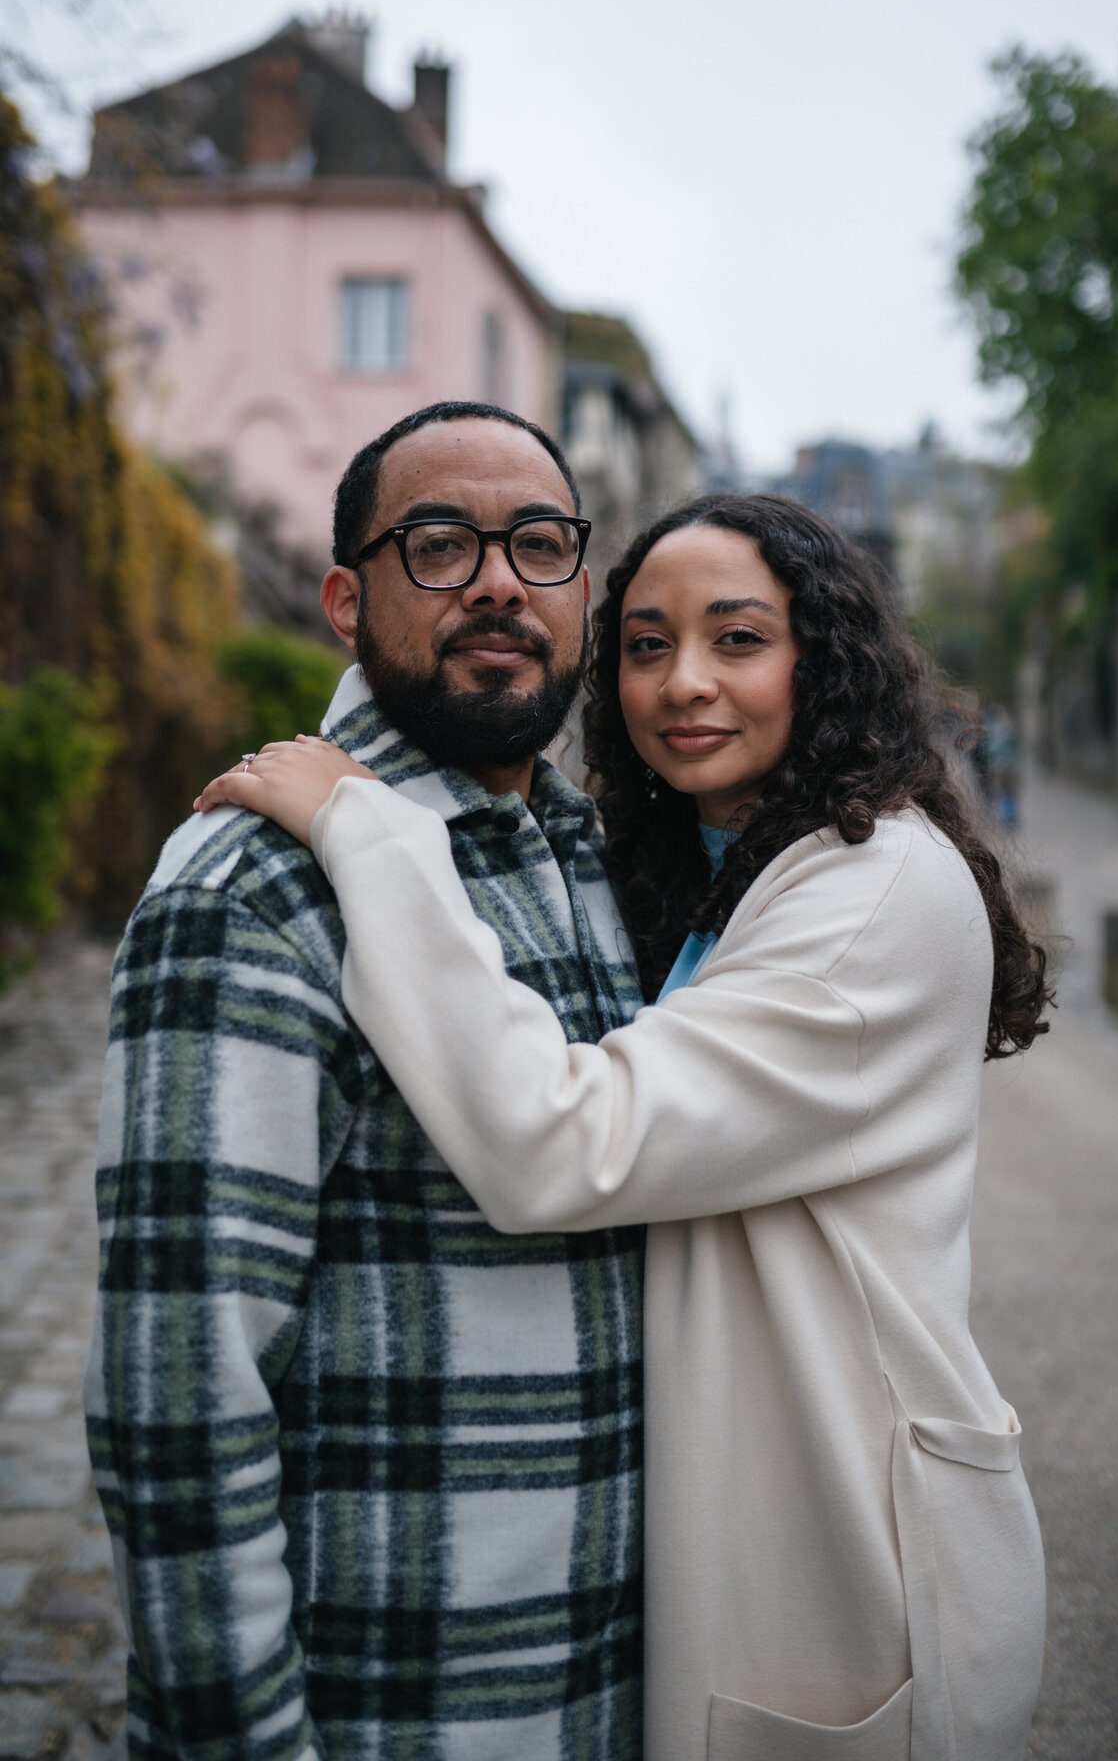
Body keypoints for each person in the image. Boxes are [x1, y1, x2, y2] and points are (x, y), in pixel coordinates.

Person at [199, 492, 1052, 1761]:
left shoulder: (874, 892)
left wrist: (366, 828)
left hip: (846, 1556)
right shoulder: (730, 859)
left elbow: (562, 1139)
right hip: (736, 1530)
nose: (683, 684)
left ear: (824, 664)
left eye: (738, 639)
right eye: (646, 644)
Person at [85, 402, 646, 1761]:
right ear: (346, 600)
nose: (501, 580)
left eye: (541, 545)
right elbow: (179, 1404)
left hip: (610, 1699)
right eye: (441, 544)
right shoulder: (259, 890)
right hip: (401, 1710)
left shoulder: (602, 868)